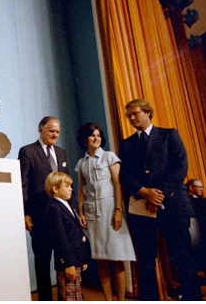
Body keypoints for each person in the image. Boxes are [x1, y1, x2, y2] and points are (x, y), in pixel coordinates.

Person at [118, 99, 201, 300]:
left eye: (135, 113)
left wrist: (158, 194)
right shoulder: (126, 144)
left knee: (182, 256)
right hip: (141, 208)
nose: (131, 118)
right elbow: (125, 175)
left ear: (148, 112)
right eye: (128, 115)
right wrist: (144, 192)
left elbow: (180, 166)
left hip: (172, 205)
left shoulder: (169, 134)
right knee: (146, 260)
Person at [74, 122, 137, 301]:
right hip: (92, 212)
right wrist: (81, 211)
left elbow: (118, 185)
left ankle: (121, 300)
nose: (97, 139)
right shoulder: (81, 163)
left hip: (111, 210)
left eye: (99, 135)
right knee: (100, 259)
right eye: (92, 135)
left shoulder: (109, 157)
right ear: (84, 139)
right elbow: (81, 189)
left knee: (116, 258)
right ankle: (108, 300)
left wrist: (118, 210)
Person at [19, 116, 73, 301]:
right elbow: (23, 185)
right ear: (40, 130)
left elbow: (67, 186)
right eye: (51, 131)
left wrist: (73, 212)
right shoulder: (27, 151)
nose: (55, 135)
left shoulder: (62, 153)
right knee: (42, 263)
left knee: (63, 260)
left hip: (61, 216)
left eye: (57, 132)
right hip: (39, 217)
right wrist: (25, 213)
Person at [45, 172, 91, 301]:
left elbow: (76, 234)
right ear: (55, 189)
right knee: (69, 296)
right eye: (67, 186)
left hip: (76, 259)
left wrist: (82, 259)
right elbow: (61, 238)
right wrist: (69, 264)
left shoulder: (68, 204)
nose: (71, 188)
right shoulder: (54, 208)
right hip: (68, 262)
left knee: (76, 295)